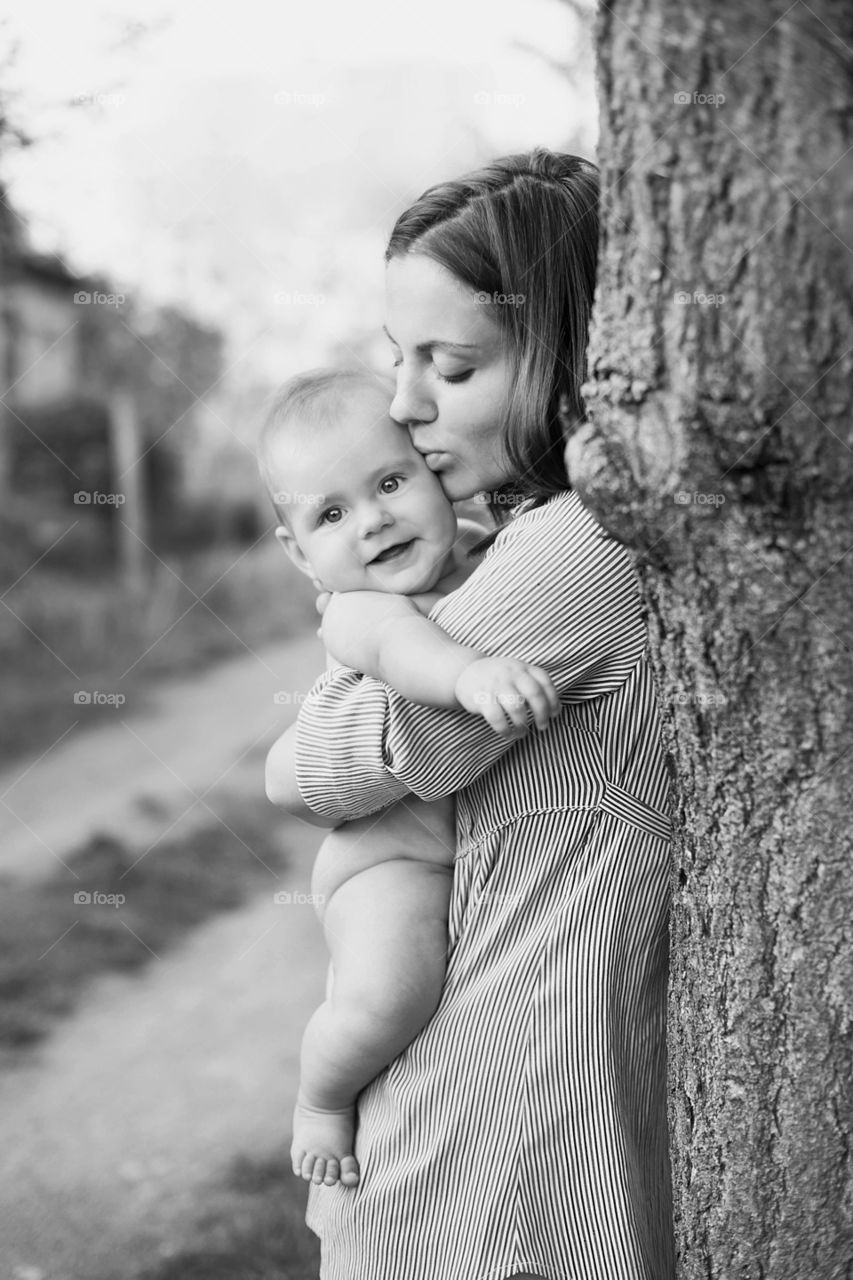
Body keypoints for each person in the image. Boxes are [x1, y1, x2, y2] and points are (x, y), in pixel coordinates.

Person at [266, 149, 675, 1280]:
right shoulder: (522, 532)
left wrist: (299, 751)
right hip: (483, 1121)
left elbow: (322, 772)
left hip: (500, 1142)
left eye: (448, 365)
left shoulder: (583, 543)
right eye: (401, 358)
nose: (402, 404)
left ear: (569, 347)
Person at [258, 367, 561, 1192]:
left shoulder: (497, 556)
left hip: (461, 842)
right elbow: (401, 651)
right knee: (388, 995)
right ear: (300, 554)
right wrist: (468, 678)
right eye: (330, 514)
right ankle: (321, 1097)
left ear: (434, 474)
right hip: (387, 860)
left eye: (390, 481)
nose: (373, 521)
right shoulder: (355, 608)